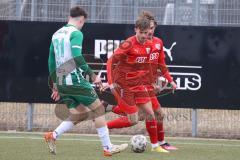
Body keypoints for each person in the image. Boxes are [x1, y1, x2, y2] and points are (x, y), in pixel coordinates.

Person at [45, 6, 128, 157]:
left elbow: (51, 60)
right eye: (83, 22)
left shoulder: (56, 34)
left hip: (62, 81)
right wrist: (93, 76)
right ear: (81, 20)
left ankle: (53, 135)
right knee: (99, 109)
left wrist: (55, 84)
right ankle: (108, 147)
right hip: (74, 79)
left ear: (68, 18)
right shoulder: (76, 33)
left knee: (80, 113)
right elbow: (77, 57)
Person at [106, 11, 178, 151]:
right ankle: (105, 125)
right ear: (137, 29)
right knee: (139, 117)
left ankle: (158, 145)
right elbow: (111, 61)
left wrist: (154, 82)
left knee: (152, 115)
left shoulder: (152, 44)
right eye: (145, 31)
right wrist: (111, 82)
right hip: (126, 84)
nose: (148, 33)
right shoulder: (129, 44)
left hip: (141, 84)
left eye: (151, 29)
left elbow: (153, 66)